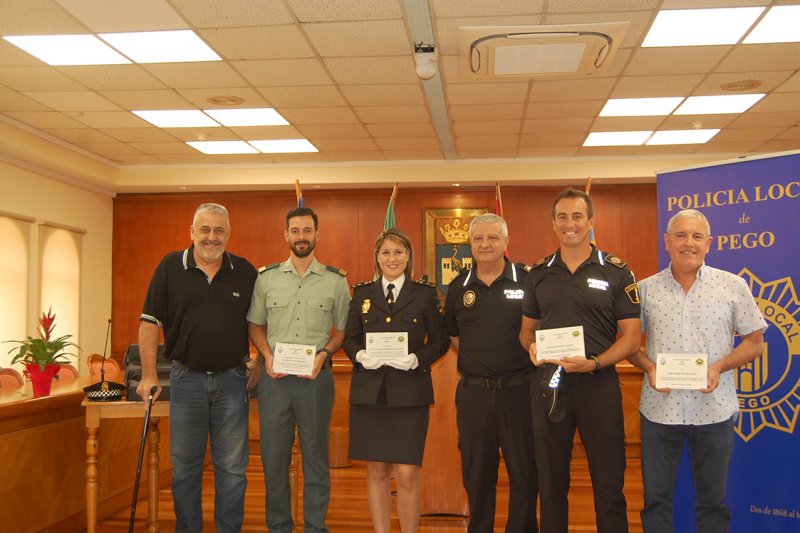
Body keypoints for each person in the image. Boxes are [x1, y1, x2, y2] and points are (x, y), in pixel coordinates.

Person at [627, 209, 766, 533]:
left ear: (708, 244)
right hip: (660, 412)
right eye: (680, 235)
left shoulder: (732, 286)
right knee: (656, 499)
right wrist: (648, 367)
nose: (688, 243)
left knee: (713, 502)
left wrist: (718, 366)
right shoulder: (644, 290)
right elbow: (630, 343)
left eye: (696, 236)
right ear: (667, 241)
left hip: (714, 410)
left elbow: (755, 342)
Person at [519, 187, 641, 533]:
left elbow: (632, 338)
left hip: (598, 383)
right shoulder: (538, 272)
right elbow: (526, 331)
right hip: (550, 385)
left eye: (576, 216)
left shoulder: (617, 271)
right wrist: (531, 347)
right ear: (553, 223)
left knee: (608, 479)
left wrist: (596, 363)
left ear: (590, 221)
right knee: (551, 479)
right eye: (562, 217)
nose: (569, 224)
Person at [137, 202, 258, 533]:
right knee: (184, 470)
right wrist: (148, 373)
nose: (211, 237)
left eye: (219, 230)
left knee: (233, 471)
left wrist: (259, 360)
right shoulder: (169, 267)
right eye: (205, 229)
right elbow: (149, 323)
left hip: (233, 383)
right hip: (185, 381)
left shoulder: (246, 272)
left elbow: (260, 324)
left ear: (229, 234)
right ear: (192, 232)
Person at [247, 206, 351, 533]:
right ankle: (279, 527)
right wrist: (266, 355)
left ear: (317, 235)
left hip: (315, 382)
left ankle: (315, 528)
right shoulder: (266, 279)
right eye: (295, 231)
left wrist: (325, 353)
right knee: (274, 462)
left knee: (316, 462)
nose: (301, 237)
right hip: (275, 382)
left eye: (307, 231)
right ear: (286, 235)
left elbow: (344, 330)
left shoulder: (336, 281)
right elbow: (255, 324)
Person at [343, 227, 449, 533]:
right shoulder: (362, 293)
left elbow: (440, 341)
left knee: (406, 474)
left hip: (409, 394)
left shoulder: (425, 295)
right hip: (370, 395)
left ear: (408, 257)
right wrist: (361, 355)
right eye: (386, 252)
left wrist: (417, 358)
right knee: (375, 470)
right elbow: (350, 338)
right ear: (377, 257)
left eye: (399, 252)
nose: (392, 258)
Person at [444, 213, 539, 533]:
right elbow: (454, 337)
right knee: (477, 474)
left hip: (521, 393)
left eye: (493, 238)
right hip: (475, 396)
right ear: (469, 243)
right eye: (478, 239)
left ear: (506, 242)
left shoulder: (528, 280)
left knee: (525, 474)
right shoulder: (459, 287)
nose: (485, 244)